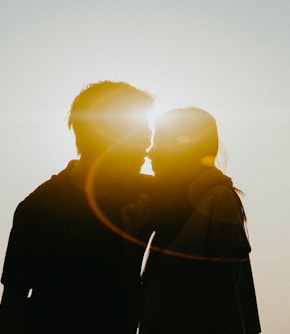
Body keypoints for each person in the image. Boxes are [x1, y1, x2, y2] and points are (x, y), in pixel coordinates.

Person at [0, 81, 154, 334]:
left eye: (147, 134)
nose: (147, 146)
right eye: (139, 134)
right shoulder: (40, 208)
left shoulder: (145, 194)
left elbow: (202, 191)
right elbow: (12, 301)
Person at [139, 107, 261, 334]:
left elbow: (230, 295)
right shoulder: (169, 207)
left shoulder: (218, 201)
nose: (150, 153)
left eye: (160, 142)